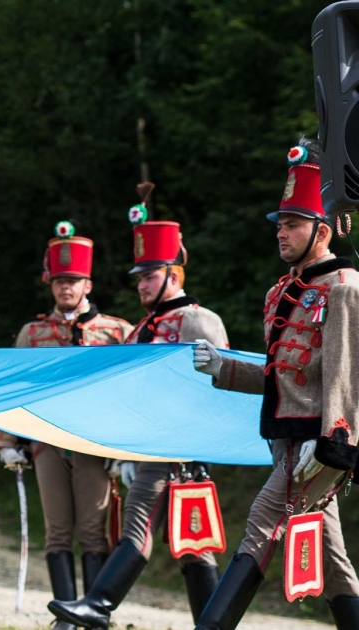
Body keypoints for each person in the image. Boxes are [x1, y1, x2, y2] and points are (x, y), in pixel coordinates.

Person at [189, 139, 359, 629]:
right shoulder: (280, 291)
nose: (281, 233)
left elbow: (346, 375)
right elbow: (281, 375)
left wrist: (333, 441)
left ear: (322, 231)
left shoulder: (343, 286)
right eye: (280, 225)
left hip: (321, 441)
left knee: (262, 522)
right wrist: (223, 368)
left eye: (293, 225)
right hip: (286, 436)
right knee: (332, 557)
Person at [48, 190, 226, 628]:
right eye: (140, 276)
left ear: (173, 274)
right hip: (148, 447)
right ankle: (213, 623)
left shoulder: (197, 320)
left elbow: (221, 385)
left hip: (179, 449)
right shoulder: (143, 327)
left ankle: (99, 605)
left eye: (150, 276)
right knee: (191, 546)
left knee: (145, 528)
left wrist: (195, 446)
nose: (142, 284)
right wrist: (127, 451)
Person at [0, 221, 132, 630]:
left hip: (95, 443)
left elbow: (129, 395)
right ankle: (64, 614)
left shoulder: (116, 332)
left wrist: (124, 450)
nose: (65, 288)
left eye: (73, 280)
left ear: (88, 283)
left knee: (92, 531)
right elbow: (12, 390)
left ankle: (92, 611)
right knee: (56, 531)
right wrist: (6, 441)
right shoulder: (32, 333)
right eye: (58, 281)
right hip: (46, 442)